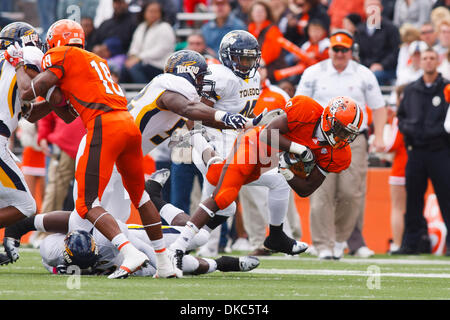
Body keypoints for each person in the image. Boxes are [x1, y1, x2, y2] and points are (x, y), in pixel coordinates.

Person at [3, 19, 182, 279]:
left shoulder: (60, 54)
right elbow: (63, 113)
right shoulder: (93, 60)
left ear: (54, 42)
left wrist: (18, 63)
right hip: (127, 124)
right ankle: (164, 264)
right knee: (140, 197)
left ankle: (130, 252)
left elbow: (29, 91)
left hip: (103, 125)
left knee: (86, 204)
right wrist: (53, 93)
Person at [169, 94, 364, 266]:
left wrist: (287, 172)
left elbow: (306, 189)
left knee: (278, 182)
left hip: (268, 161)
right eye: (340, 130)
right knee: (225, 196)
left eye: (348, 134)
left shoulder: (338, 154)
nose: (342, 137)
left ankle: (276, 236)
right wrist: (299, 149)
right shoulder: (307, 110)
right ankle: (177, 247)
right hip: (252, 143)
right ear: (329, 120)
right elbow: (266, 133)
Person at [0, 172, 260, 276]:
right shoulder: (54, 256)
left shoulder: (94, 236)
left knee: (195, 239)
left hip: (126, 240)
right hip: (117, 258)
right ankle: (224, 265)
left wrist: (15, 231)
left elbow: (41, 220)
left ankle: (155, 197)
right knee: (187, 263)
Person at [295, 29, 387, 259]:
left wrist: (381, 135)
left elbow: (379, 106)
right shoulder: (313, 73)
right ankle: (323, 244)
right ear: (329, 50)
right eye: (335, 49)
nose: (339, 54)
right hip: (320, 139)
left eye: (344, 49)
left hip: (353, 139)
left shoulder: (364, 74)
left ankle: (339, 239)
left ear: (350, 51)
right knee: (321, 192)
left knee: (350, 192)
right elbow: (299, 105)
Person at [395, 48, 450, 255]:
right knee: (413, 199)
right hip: (416, 151)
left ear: (438, 61)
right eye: (425, 58)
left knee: (447, 196)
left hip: (440, 151)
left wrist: (434, 133)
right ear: (420, 61)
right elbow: (401, 117)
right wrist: (411, 130)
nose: (428, 62)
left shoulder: (447, 88)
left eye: (432, 58)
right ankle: (412, 243)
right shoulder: (411, 90)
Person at [0, 22, 44, 232]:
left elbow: (30, 113)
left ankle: (9, 241)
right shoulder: (25, 54)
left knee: (5, 202)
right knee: (26, 205)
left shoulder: (6, 67)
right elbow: (32, 91)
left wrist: (54, 103)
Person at [119, 0, 176, 84]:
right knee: (124, 68)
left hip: (159, 66)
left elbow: (161, 50)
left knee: (135, 68)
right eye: (150, 11)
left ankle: (145, 92)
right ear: (144, 12)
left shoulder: (165, 27)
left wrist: (139, 58)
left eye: (156, 11)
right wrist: (133, 56)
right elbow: (135, 46)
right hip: (143, 63)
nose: (153, 14)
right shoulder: (141, 27)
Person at [384, 84, 408, 253]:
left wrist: (377, 146)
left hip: (400, 168)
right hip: (415, 166)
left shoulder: (401, 118)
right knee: (411, 208)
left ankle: (399, 244)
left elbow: (391, 145)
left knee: (398, 209)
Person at [354, 0, 401, 85]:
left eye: (375, 6)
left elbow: (395, 52)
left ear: (381, 8)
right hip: (365, 69)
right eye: (369, 6)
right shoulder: (359, 30)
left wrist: (381, 65)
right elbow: (357, 54)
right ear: (364, 9)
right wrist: (366, 66)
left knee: (374, 76)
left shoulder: (391, 28)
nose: (372, 9)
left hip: (387, 70)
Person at [247, 0, 285, 82]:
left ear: (267, 13)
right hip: (254, 68)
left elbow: (266, 57)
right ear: (251, 13)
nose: (259, 13)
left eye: (261, 11)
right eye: (256, 11)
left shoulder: (273, 30)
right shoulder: (249, 29)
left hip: (271, 71)